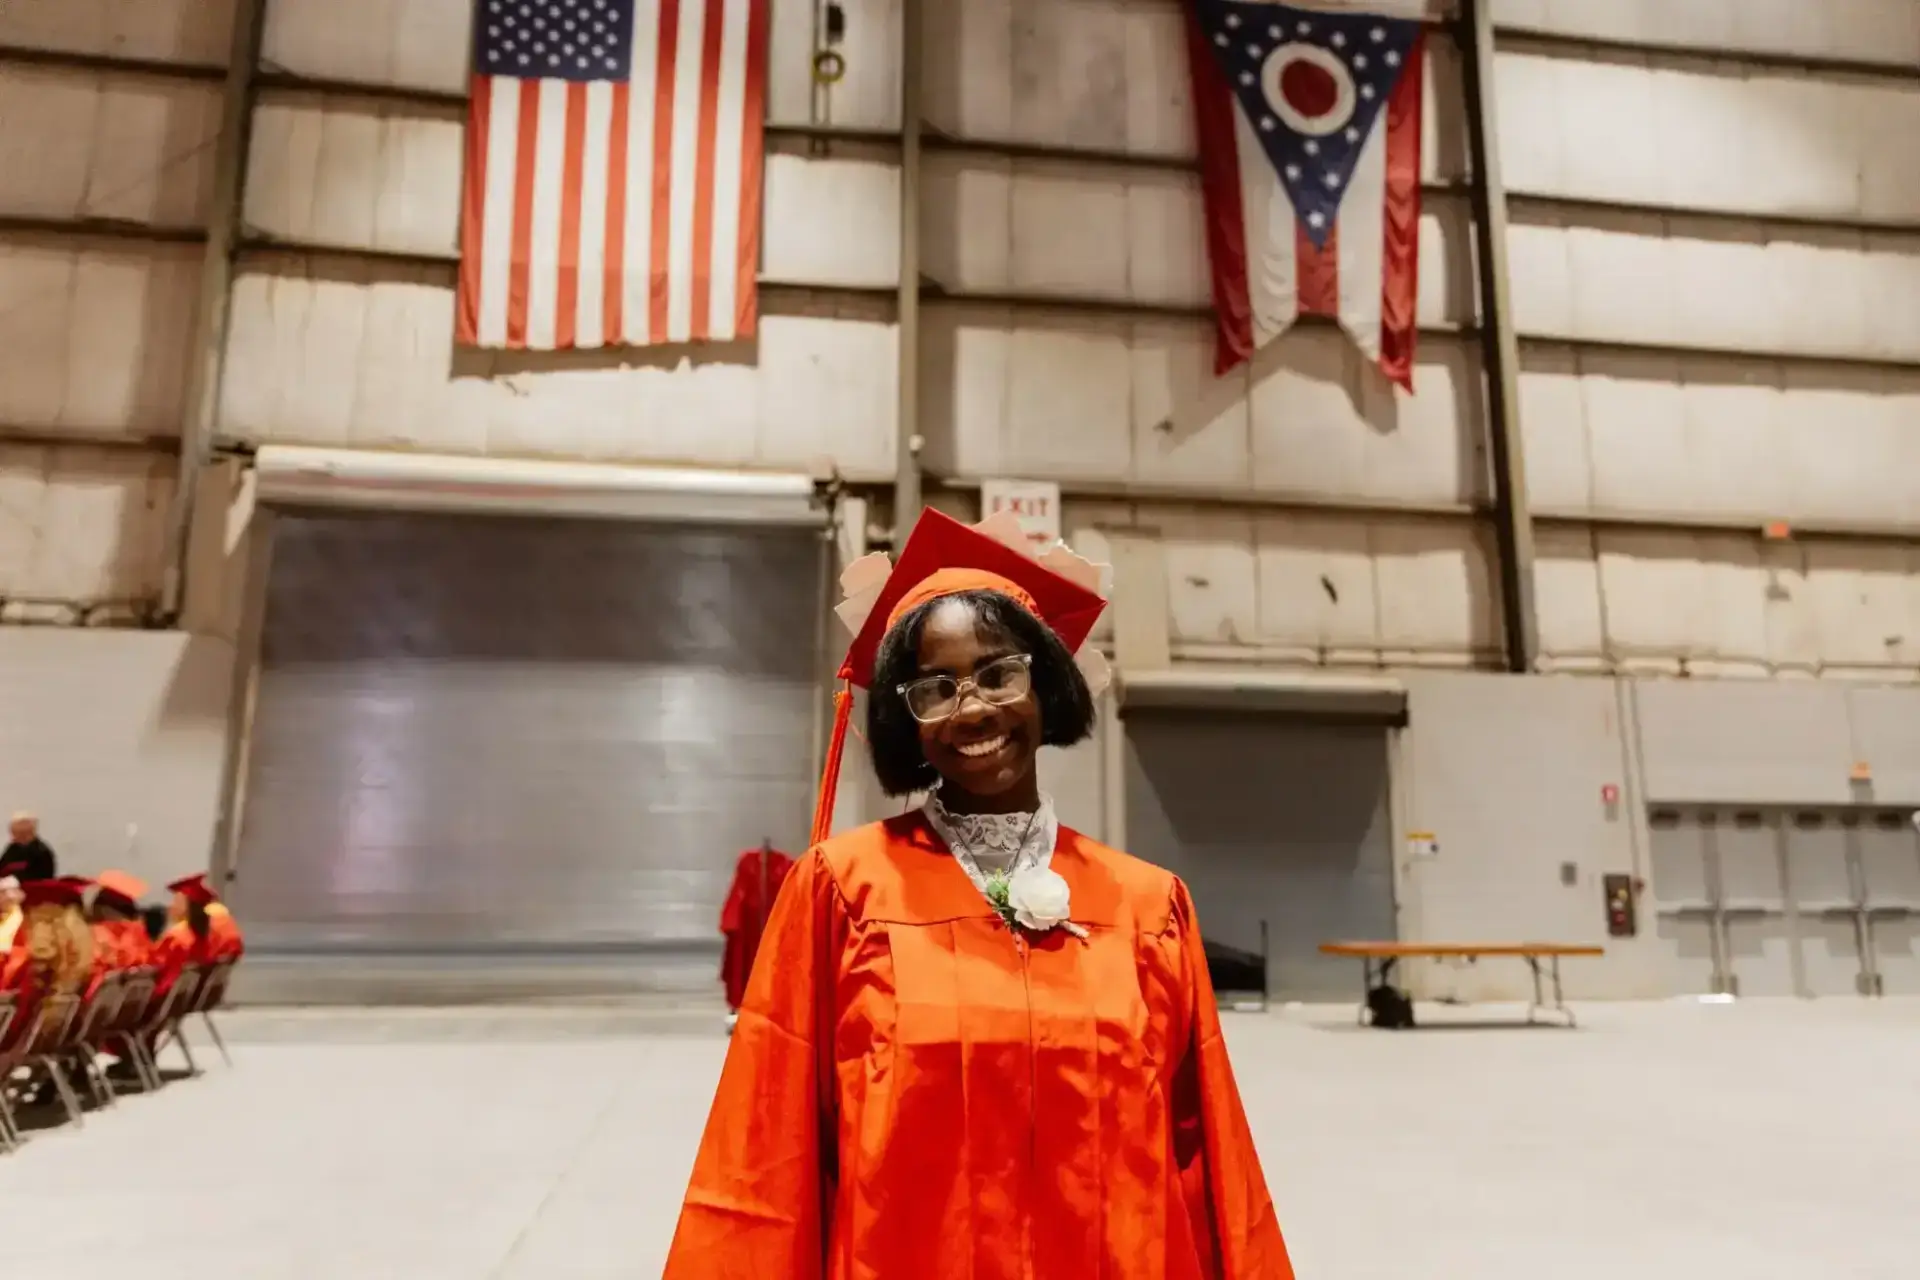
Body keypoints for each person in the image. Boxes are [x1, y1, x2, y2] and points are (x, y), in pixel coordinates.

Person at [664, 509, 1294, 1279]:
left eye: (999, 674)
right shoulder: (841, 891)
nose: (973, 710)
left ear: (1046, 683)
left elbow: (1208, 1163)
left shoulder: (1147, 907)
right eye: (936, 689)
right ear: (906, 717)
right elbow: (766, 1153)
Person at [718, 841, 794, 1019]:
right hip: (750, 929)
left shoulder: (785, 865)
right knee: (747, 963)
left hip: (776, 927)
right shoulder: (748, 863)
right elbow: (739, 894)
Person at [0, 812, 56, 883]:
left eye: (18, 832)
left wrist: (13, 881)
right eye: (13, 832)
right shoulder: (12, 849)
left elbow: (41, 877)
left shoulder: (41, 852)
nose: (13, 836)